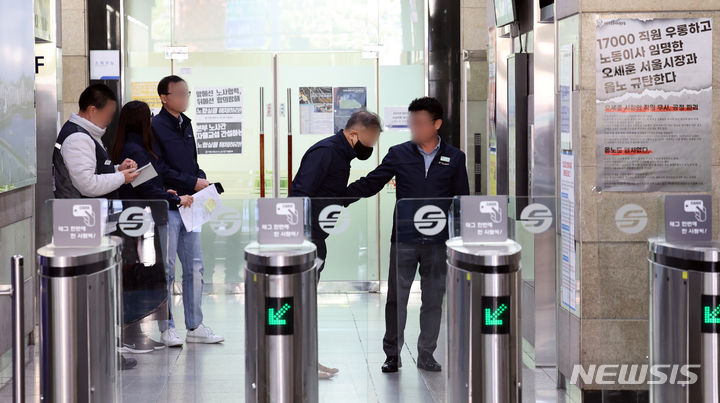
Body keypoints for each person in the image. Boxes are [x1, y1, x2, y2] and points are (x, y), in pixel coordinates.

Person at [345, 97, 470, 373]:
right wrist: (338, 196)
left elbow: (462, 200)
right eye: (412, 123)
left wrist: (462, 240)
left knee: (433, 299)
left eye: (421, 123)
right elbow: (373, 182)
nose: (415, 128)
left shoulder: (455, 158)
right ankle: (392, 354)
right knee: (396, 299)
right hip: (403, 238)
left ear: (437, 124)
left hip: (438, 242)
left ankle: (427, 353)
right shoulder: (399, 153)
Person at [51, 83, 141, 370]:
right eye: (108, 113)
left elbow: (93, 173)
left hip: (88, 225)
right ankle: (94, 353)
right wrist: (123, 179)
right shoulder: (78, 138)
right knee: (91, 294)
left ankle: (101, 350)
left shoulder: (87, 135)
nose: (110, 119)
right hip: (81, 227)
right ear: (92, 110)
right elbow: (87, 185)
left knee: (98, 293)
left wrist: (116, 170)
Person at [289, 110, 383, 378]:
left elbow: (335, 194)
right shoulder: (326, 152)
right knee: (300, 302)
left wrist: (370, 184)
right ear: (354, 134)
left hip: (316, 236)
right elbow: (300, 194)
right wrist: (301, 240)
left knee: (305, 303)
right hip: (307, 239)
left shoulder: (340, 155)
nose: (371, 146)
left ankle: (306, 359)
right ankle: (300, 363)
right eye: (370, 139)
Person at [110, 100, 194, 353]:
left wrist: (162, 191)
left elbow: (147, 183)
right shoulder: (136, 148)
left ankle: (131, 332)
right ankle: (131, 332)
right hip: (140, 217)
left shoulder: (127, 145)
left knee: (134, 270)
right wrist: (174, 197)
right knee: (142, 273)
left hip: (133, 217)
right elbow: (144, 186)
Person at [151, 75, 224, 346]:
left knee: (195, 267)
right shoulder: (155, 126)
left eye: (187, 93)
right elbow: (160, 170)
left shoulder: (186, 124)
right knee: (167, 269)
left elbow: (191, 163)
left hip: (192, 205)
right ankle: (166, 327)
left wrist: (201, 180)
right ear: (164, 97)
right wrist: (191, 182)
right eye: (179, 93)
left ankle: (195, 325)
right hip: (171, 203)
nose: (184, 97)